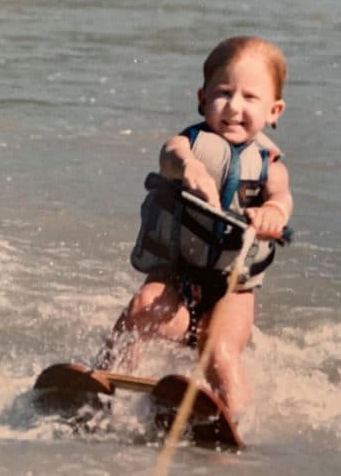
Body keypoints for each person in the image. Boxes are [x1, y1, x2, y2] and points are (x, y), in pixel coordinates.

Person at [96, 36, 293, 420]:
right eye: (223, 93)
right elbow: (171, 156)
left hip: (231, 287)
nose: (234, 107)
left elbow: (282, 200)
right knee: (142, 309)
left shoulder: (272, 165)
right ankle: (103, 378)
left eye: (250, 98)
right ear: (202, 98)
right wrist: (190, 168)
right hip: (176, 273)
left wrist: (272, 213)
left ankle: (236, 420)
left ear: (274, 110)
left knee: (217, 349)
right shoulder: (187, 144)